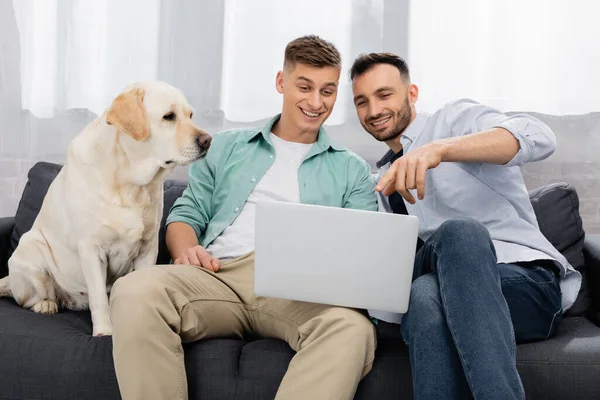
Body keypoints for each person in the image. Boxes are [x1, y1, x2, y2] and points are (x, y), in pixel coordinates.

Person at [108, 35, 379, 400]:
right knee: (133, 290)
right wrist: (187, 250)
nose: (316, 102)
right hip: (218, 276)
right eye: (305, 87)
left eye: (327, 91)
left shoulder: (353, 170)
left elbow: (363, 252)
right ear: (282, 83)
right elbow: (188, 212)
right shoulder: (225, 146)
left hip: (299, 293)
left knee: (353, 328)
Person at [350, 52, 582, 399]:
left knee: (461, 234)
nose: (373, 110)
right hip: (441, 289)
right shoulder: (383, 184)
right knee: (423, 294)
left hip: (523, 286)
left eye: (384, 95)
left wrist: (439, 150)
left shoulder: (454, 121)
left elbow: (539, 136)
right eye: (361, 102)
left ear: (411, 94)